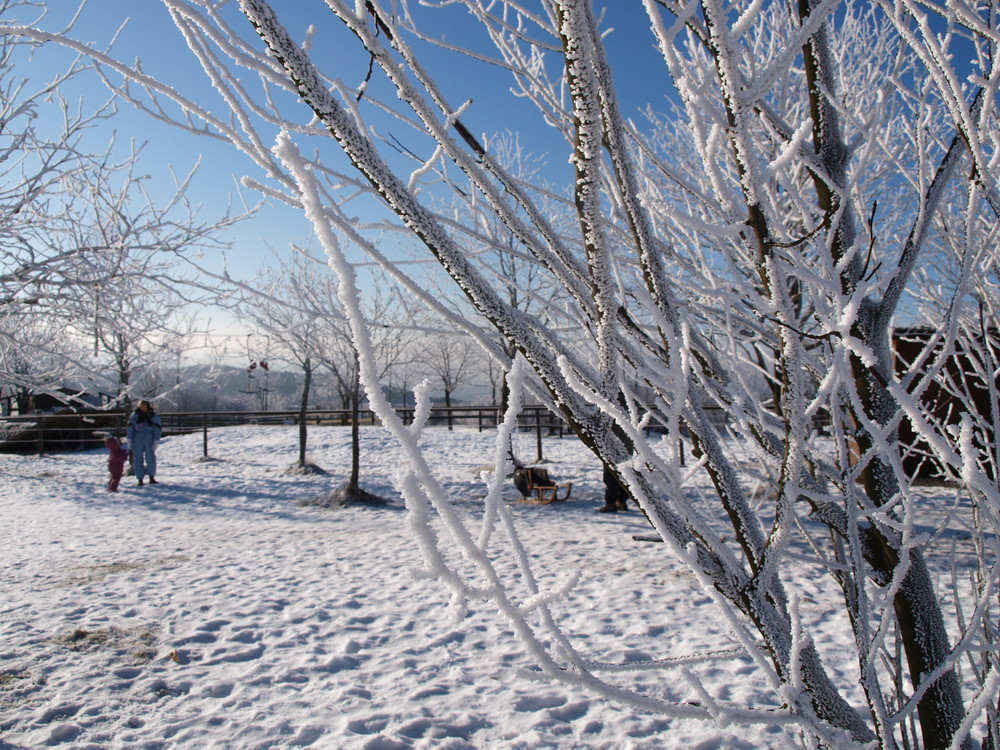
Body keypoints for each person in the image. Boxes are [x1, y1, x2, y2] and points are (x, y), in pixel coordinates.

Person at [126, 400, 162, 486]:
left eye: (144, 406)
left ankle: (151, 476)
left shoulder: (153, 415)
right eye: (141, 406)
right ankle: (140, 478)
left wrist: (156, 440)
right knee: (138, 458)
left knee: (150, 458)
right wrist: (129, 439)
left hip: (149, 437)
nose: (143, 408)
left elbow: (157, 428)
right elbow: (131, 427)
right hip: (138, 438)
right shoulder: (135, 415)